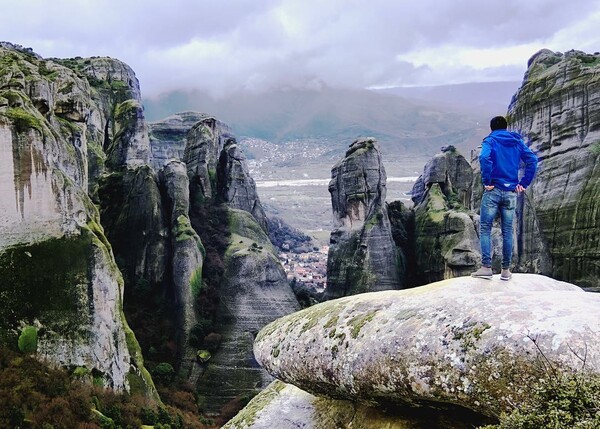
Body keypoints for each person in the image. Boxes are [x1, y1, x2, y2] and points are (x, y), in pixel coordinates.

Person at [471, 116, 538, 280]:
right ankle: (506, 271)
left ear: (492, 128)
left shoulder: (490, 140)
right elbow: (533, 160)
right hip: (511, 193)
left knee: (485, 228)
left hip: (493, 190)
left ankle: (486, 268)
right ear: (506, 127)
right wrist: (524, 183)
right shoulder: (516, 141)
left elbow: (484, 157)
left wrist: (487, 181)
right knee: (508, 232)